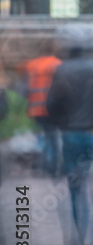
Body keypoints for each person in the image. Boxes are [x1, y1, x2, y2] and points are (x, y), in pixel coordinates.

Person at [45, 24, 93, 245]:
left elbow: (52, 103)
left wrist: (62, 121)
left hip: (71, 135)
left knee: (76, 192)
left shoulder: (62, 69)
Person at [21, 38, 62, 176]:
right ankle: (52, 168)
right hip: (53, 109)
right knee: (53, 138)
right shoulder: (57, 64)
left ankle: (43, 166)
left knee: (42, 138)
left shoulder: (31, 65)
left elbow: (25, 88)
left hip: (35, 109)